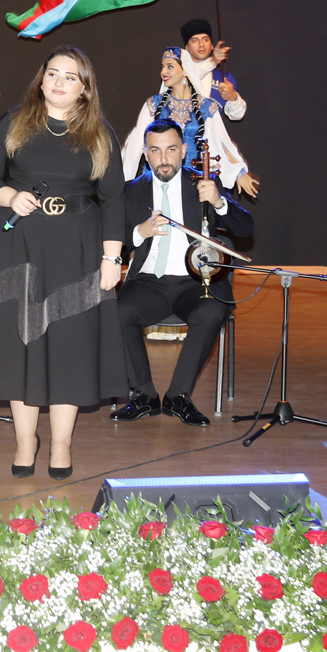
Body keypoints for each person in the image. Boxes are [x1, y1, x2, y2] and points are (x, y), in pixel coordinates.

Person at [0, 46, 126, 480]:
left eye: (70, 77)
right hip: (18, 246)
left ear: (84, 89)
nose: (58, 82)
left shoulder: (100, 134)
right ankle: (25, 441)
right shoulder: (15, 121)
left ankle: (60, 443)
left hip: (77, 250)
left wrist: (111, 258)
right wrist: (8, 196)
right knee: (20, 345)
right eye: (52, 73)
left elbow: (114, 200)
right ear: (41, 80)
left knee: (69, 349)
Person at [108, 119, 253, 427]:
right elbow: (112, 244)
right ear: (146, 154)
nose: (164, 159)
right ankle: (144, 395)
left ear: (184, 151)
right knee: (117, 311)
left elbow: (246, 228)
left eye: (171, 150)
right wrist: (138, 233)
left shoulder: (203, 184)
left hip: (194, 280)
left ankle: (179, 396)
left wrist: (219, 203)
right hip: (148, 282)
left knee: (212, 311)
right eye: (156, 151)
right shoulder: (130, 192)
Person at [120, 46, 257, 196]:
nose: (163, 72)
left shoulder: (206, 106)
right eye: (162, 67)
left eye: (170, 67)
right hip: (158, 183)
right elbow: (134, 147)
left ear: (185, 71)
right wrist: (121, 186)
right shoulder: (153, 105)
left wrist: (238, 173)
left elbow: (221, 142)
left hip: (194, 185)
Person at [180, 18, 246, 120]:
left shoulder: (224, 77)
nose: (201, 44)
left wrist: (233, 97)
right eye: (194, 40)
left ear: (211, 46)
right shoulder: (178, 73)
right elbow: (188, 81)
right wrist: (212, 62)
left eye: (205, 39)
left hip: (212, 135)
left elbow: (237, 115)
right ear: (186, 48)